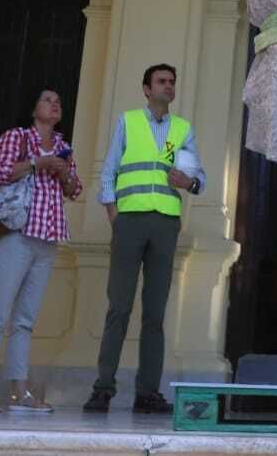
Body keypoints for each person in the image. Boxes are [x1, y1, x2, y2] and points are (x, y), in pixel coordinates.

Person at [83, 62, 207, 414]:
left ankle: (147, 393)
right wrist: (114, 215)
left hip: (165, 224)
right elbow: (108, 173)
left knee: (155, 312)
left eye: (172, 82)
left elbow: (200, 179)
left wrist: (190, 184)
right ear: (146, 88)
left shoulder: (182, 129)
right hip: (130, 221)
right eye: (161, 81)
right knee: (118, 307)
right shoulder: (128, 121)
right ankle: (103, 388)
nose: (168, 87)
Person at [0, 89, 82, 413]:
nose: (55, 104)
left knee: (25, 320)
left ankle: (20, 392)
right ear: (33, 108)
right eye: (47, 99)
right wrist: (37, 162)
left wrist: (63, 172)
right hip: (16, 235)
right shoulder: (16, 137)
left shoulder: (63, 146)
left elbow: (75, 190)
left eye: (58, 101)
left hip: (47, 239)